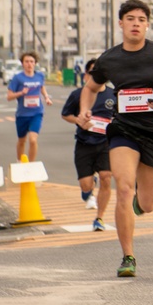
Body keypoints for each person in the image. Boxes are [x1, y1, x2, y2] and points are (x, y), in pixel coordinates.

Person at [78, 0, 153, 278]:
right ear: (121, 23)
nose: (135, 24)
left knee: (148, 203)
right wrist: (84, 110)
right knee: (124, 189)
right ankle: (128, 256)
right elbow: (91, 87)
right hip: (123, 130)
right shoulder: (109, 59)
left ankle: (138, 207)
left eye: (141, 19)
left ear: (147, 24)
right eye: (130, 19)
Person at [61, 58, 115, 232]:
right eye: (93, 72)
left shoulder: (113, 95)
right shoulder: (78, 94)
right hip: (84, 143)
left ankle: (99, 218)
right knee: (86, 186)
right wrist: (78, 120)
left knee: (107, 178)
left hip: (106, 144)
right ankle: (89, 187)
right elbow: (65, 114)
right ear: (87, 75)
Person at [6, 51, 53, 161]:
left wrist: (46, 97)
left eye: (31, 61)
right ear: (22, 63)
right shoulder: (18, 78)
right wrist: (21, 93)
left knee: (33, 139)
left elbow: (41, 87)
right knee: (22, 140)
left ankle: (31, 165)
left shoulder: (40, 75)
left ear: (35, 63)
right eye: (26, 61)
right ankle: (19, 162)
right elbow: (9, 96)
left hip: (37, 113)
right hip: (22, 114)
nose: (29, 64)